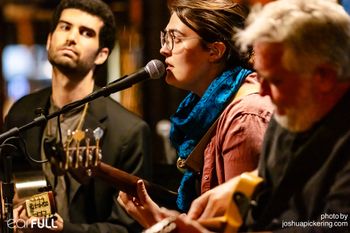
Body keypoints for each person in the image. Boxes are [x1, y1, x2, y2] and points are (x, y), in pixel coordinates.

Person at [168, 0, 350, 232]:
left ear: (323, 77)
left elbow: (333, 224)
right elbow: (263, 216)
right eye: (260, 76)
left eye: (275, 81)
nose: (261, 92)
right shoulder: (283, 123)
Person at [118, 0, 273, 229]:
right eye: (165, 37)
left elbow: (238, 227)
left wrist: (163, 226)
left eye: (176, 38)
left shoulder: (244, 117)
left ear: (214, 50)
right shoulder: (209, 110)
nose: (164, 49)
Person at [2, 0, 151, 232]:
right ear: (50, 39)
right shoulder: (21, 113)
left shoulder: (129, 132)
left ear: (102, 55)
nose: (71, 37)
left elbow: (128, 227)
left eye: (86, 32)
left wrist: (65, 230)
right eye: (65, 27)